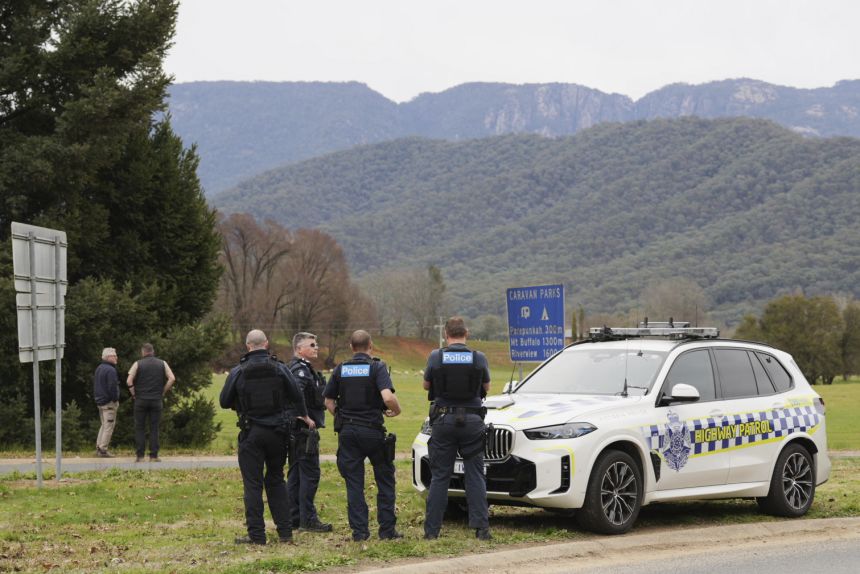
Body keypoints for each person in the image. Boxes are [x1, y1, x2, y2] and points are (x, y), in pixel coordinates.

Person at [220, 329, 316, 545]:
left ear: (248, 346)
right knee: (276, 480)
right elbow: (296, 394)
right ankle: (285, 533)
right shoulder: (280, 368)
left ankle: (257, 536)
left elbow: (224, 401)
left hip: (251, 432)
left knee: (252, 484)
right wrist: (303, 415)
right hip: (277, 433)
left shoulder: (239, 370)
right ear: (266, 344)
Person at [324, 330, 402, 542]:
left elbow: (329, 401)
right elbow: (387, 396)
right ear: (371, 346)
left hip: (348, 432)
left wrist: (341, 416)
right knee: (385, 479)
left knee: (354, 483)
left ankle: (360, 532)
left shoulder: (341, 369)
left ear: (351, 347)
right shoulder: (377, 367)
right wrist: (396, 410)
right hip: (372, 431)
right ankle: (387, 531)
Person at [422, 316, 492, 540]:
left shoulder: (436, 356)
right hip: (472, 421)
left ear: (446, 334)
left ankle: (432, 531)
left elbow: (426, 385)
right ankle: (481, 529)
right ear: (466, 333)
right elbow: (487, 387)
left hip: (444, 419)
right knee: (475, 475)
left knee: (440, 476)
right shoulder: (478, 357)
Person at [286, 332, 332, 532]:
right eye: (312, 345)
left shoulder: (301, 368)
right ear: (299, 349)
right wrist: (304, 416)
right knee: (310, 474)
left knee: (296, 474)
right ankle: (308, 519)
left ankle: (294, 517)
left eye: (316, 344)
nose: (316, 347)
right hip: (303, 431)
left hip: (297, 430)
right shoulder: (301, 371)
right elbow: (295, 393)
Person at [126, 343, 176, 462]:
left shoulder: (137, 363)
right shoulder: (162, 363)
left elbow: (129, 381)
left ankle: (140, 456)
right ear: (152, 351)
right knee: (154, 428)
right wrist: (163, 391)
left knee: (140, 428)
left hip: (141, 400)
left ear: (143, 352)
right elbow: (172, 378)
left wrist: (134, 393)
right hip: (156, 400)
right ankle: (153, 455)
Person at [93, 347, 120, 458]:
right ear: (109, 357)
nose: (116, 357)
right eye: (114, 355)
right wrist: (115, 399)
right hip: (108, 403)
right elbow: (112, 387)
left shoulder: (99, 368)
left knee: (104, 425)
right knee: (109, 426)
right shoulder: (111, 370)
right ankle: (103, 450)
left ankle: (99, 447)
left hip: (100, 401)